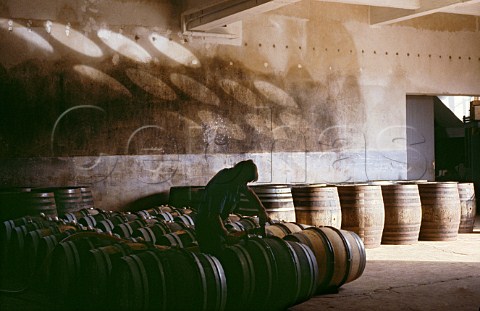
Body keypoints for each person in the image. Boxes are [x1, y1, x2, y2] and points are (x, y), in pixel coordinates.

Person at [195, 160, 270, 256]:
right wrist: (226, 235)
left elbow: (248, 192)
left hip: (220, 220)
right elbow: (213, 215)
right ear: (241, 175)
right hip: (206, 225)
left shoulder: (235, 178)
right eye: (245, 180)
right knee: (217, 257)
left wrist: (261, 209)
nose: (245, 184)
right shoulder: (221, 187)